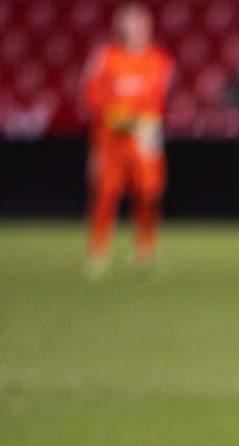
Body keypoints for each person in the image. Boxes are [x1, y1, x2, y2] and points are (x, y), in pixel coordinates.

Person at [81, 3, 173, 278]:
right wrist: (113, 116)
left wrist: (138, 121)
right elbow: (92, 95)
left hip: (144, 135)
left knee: (148, 193)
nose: (136, 29)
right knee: (105, 194)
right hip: (110, 138)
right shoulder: (105, 57)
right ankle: (98, 252)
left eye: (140, 23)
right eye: (130, 23)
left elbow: (157, 99)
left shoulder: (160, 60)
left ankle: (145, 251)